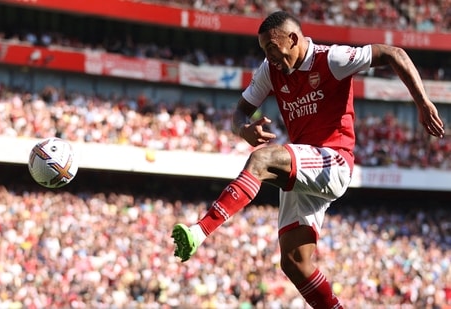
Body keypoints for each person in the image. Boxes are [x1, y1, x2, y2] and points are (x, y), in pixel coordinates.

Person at [171, 10, 445, 308]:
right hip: (305, 166)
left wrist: (422, 102)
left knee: (262, 161)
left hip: (334, 161)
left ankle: (200, 230)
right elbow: (239, 112)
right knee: (293, 262)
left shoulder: (332, 59)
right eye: (264, 50)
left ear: (292, 39)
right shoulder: (270, 70)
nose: (269, 56)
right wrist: (243, 129)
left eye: (272, 48)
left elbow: (394, 53)